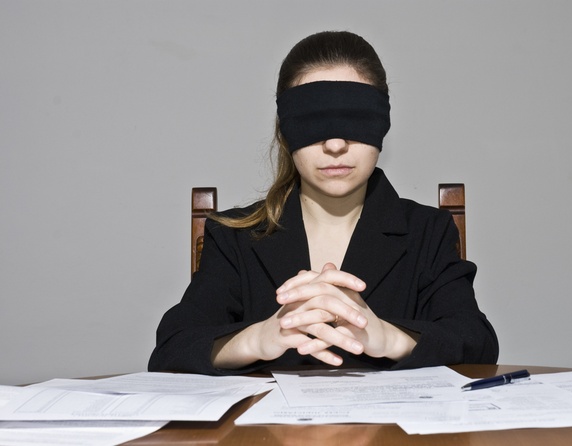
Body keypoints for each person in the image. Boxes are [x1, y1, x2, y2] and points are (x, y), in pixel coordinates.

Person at [149, 30, 498, 375]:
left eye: (356, 120)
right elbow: (172, 349)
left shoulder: (428, 232)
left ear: (382, 124)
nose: (335, 144)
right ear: (286, 129)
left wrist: (389, 337)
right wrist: (257, 339)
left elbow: (478, 343)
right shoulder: (232, 238)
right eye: (313, 121)